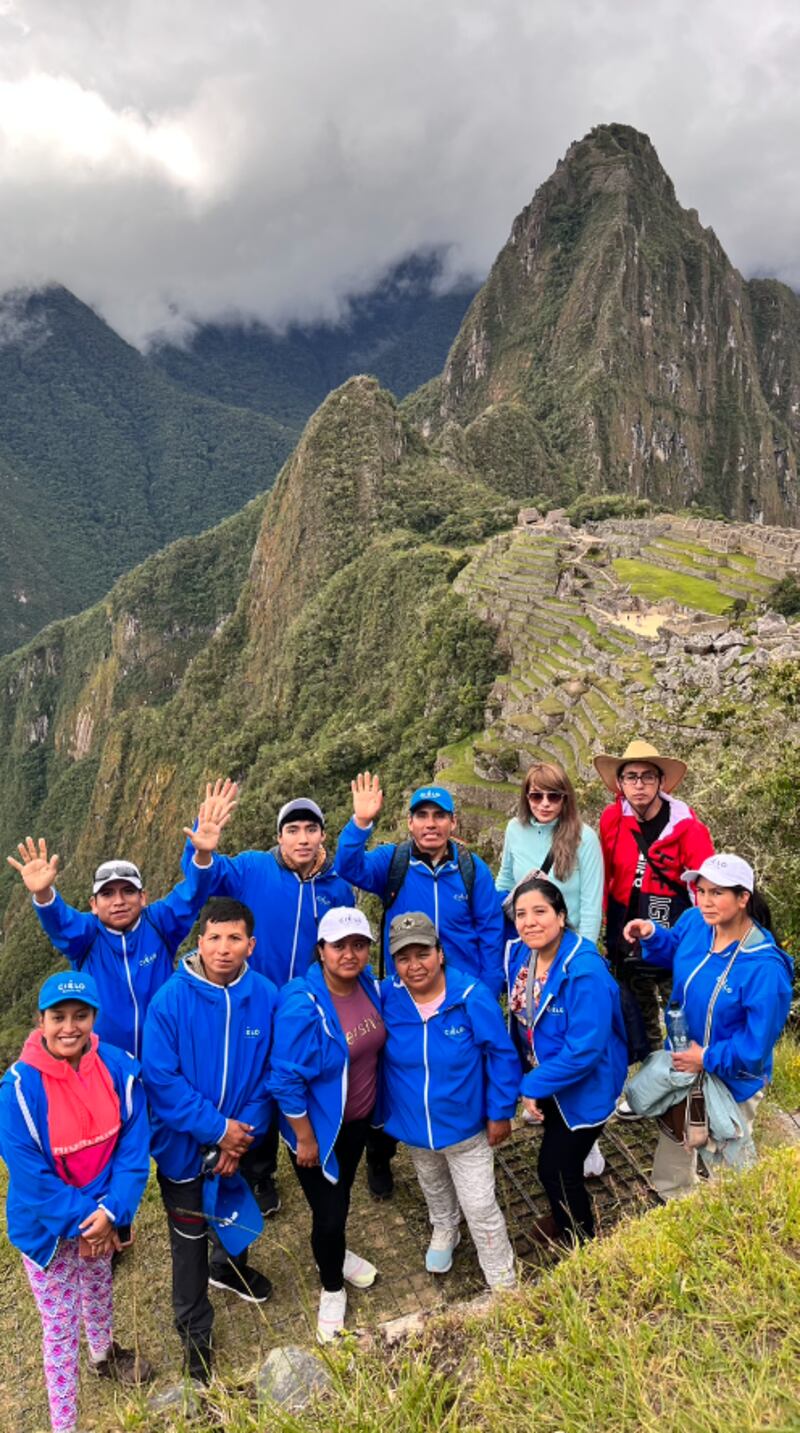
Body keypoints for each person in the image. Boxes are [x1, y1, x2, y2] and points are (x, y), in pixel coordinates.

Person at [181, 787, 355, 1216]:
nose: (301, 838)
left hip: (309, 1008)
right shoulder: (252, 869)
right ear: (279, 837)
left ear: (322, 836)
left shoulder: (336, 887)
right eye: (292, 829)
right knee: (257, 1084)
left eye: (310, 829)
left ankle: (314, 1149)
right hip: (256, 1001)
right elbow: (206, 880)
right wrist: (201, 852)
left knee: (308, 1079)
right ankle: (260, 1172)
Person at [336, 773, 506, 1199]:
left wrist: (484, 992)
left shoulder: (471, 870)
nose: (431, 824)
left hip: (459, 997)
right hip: (402, 995)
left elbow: (490, 930)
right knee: (392, 1072)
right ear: (410, 823)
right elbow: (348, 866)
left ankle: (467, 1144)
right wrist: (360, 823)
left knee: (463, 1068)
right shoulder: (392, 864)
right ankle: (381, 1155)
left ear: (453, 823)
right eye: (422, 816)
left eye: (439, 816)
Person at [0, 972, 152, 1433]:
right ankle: (64, 1424)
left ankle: (104, 1354)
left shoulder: (119, 1069)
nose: (70, 1027)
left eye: (80, 1016)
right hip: (47, 1227)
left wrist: (112, 1212)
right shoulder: (19, 1091)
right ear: (40, 1020)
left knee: (100, 1285)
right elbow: (30, 1178)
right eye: (59, 1017)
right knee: (61, 1326)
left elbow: (132, 1149)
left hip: (104, 1211)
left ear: (94, 1019)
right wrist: (92, 1222)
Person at [141, 898, 277, 1383]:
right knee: (188, 1240)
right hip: (182, 1149)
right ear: (199, 942)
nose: (224, 948)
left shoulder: (264, 994)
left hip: (240, 1140)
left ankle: (232, 1267)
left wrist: (238, 1138)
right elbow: (163, 1081)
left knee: (233, 1206)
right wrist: (218, 1132)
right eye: (215, 938)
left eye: (235, 938)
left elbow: (269, 1075)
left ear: (250, 945)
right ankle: (195, 1334)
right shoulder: (169, 1001)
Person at [7, 781, 237, 1060]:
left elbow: (192, 895)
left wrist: (202, 855)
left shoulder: (159, 923)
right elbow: (60, 922)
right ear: (93, 904)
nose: (118, 901)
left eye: (128, 891)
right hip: (106, 1066)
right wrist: (44, 893)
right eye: (107, 894)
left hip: (163, 1058)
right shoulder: (86, 937)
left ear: (144, 897)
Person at [623, 853, 792, 1199]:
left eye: (717, 893)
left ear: (743, 897)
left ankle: (733, 1218)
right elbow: (675, 949)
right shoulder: (696, 922)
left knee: (727, 1163)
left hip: (731, 1080)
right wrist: (653, 934)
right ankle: (672, 1201)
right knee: (675, 1139)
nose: (706, 901)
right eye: (701, 891)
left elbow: (755, 1047)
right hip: (684, 1061)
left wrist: (707, 1058)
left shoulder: (765, 968)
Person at [381, 911, 518, 1289]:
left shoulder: (470, 997)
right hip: (415, 1127)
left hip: (466, 1128)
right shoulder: (386, 998)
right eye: (404, 958)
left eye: (422, 953)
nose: (414, 966)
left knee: (479, 1205)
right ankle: (445, 1229)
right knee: (433, 1185)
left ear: (440, 953)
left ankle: (503, 1280)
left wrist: (501, 1111)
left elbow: (502, 1056)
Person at [269, 907, 385, 1344]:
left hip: (356, 1122)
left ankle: (333, 1255)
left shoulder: (369, 986)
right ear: (321, 951)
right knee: (330, 1214)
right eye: (339, 946)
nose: (350, 954)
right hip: (316, 1135)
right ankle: (332, 1287)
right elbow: (284, 1078)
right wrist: (304, 1137)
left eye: (358, 945)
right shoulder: (303, 1004)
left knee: (340, 1197)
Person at [508, 878, 628, 1245]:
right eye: (521, 914)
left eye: (540, 912)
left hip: (584, 1088)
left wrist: (532, 1084)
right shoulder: (524, 954)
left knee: (557, 1169)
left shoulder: (584, 971)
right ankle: (564, 1218)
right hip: (551, 1081)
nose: (529, 921)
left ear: (561, 916)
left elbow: (585, 1050)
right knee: (558, 1160)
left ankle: (583, 1241)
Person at [595, 739, 714, 1058]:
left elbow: (706, 887)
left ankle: (685, 1089)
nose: (639, 784)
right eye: (631, 776)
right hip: (623, 932)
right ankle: (651, 1082)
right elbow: (604, 873)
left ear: (661, 782)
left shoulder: (687, 828)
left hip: (672, 936)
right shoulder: (612, 820)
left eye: (648, 776)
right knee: (638, 1016)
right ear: (620, 783)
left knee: (681, 1014)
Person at [496, 761, 603, 941]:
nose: (545, 804)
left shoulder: (584, 838)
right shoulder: (514, 829)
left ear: (565, 798)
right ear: (526, 798)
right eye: (537, 796)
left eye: (553, 797)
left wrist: (585, 952)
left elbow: (591, 905)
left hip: (565, 940)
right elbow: (505, 879)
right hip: (524, 939)